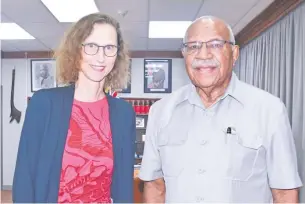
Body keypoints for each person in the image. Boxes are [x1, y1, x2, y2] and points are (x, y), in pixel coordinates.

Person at [139, 16, 303, 203]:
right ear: (184, 54)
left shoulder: (269, 110)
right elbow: (154, 186)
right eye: (193, 46)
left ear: (234, 53)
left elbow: (284, 193)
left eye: (215, 44)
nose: (203, 55)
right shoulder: (160, 111)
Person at [12, 13, 136, 203]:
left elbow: (124, 188)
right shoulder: (44, 104)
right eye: (91, 46)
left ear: (117, 54)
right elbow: (24, 179)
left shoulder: (124, 114)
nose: (101, 57)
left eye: (109, 47)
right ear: (77, 50)